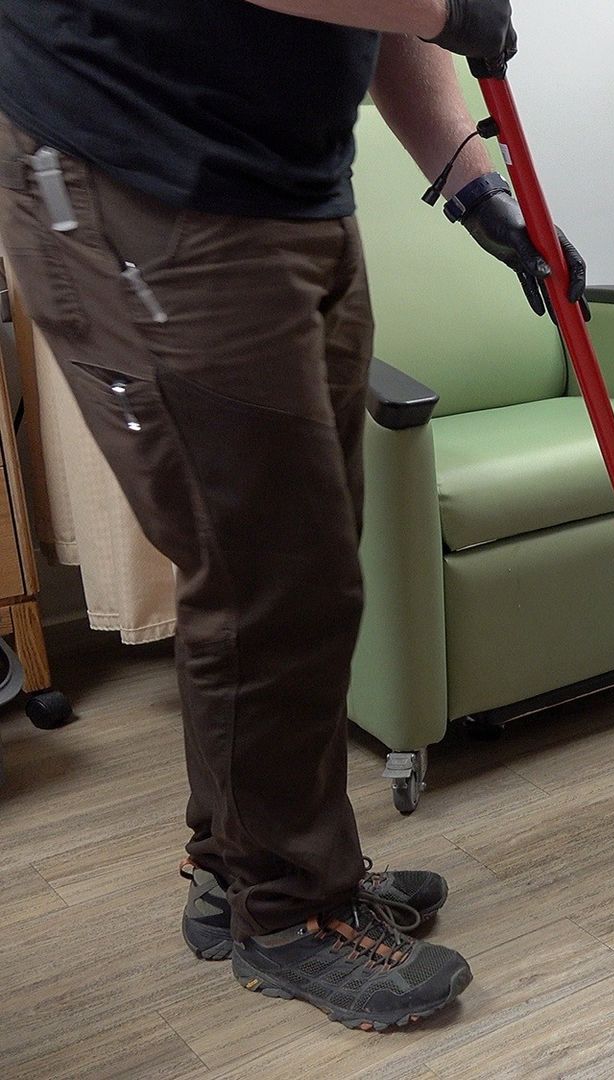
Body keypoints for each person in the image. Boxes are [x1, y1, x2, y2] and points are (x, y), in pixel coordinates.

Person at [0, 0, 582, 1031]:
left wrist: (471, 181)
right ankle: (291, 913)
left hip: (283, 188)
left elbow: (378, 21)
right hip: (137, 175)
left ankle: (239, 867)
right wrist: (451, 8)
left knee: (293, 558)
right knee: (273, 572)